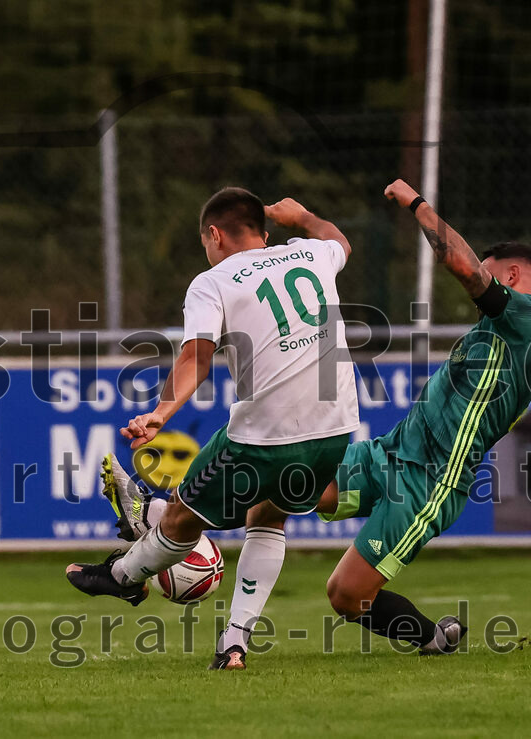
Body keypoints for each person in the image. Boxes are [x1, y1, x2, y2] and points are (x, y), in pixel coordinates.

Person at [67, 187, 360, 670]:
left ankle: (122, 576)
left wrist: (160, 413)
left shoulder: (213, 281)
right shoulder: (311, 253)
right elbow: (339, 240)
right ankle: (234, 644)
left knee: (183, 517)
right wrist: (303, 215)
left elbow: (196, 358)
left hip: (263, 436)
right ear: (264, 233)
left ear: (214, 234)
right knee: (268, 517)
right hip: (333, 431)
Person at [318, 179, 531, 654]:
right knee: (298, 485)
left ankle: (434, 638)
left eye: (491, 274)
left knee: (345, 595)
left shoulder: (526, 316)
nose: (481, 284)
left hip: (431, 478)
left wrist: (416, 203)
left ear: (512, 275)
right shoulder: (529, 337)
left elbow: (463, 267)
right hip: (392, 452)